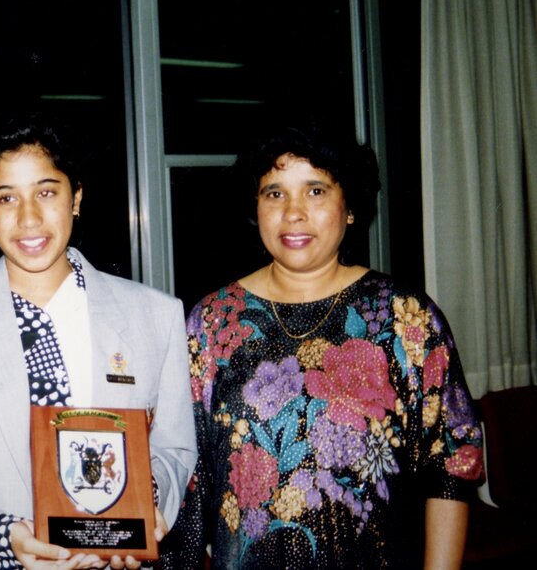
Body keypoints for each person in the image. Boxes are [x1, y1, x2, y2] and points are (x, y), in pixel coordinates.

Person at [158, 124, 484, 569]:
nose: (293, 213)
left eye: (314, 191)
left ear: (349, 206)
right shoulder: (214, 322)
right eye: (274, 193)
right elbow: (187, 477)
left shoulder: (404, 317)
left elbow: (452, 465)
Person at [0, 115, 196, 570]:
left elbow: (174, 449)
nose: (29, 218)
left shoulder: (155, 315)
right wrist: (2, 542)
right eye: (7, 198)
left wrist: (144, 506)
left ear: (77, 198)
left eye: (46, 192)